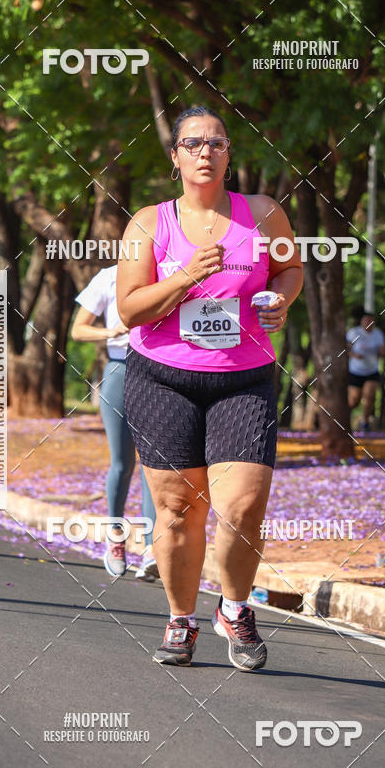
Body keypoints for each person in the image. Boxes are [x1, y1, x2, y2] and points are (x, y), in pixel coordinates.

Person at [117, 105, 304, 670]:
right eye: (192, 144)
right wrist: (186, 276)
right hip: (163, 378)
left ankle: (235, 607)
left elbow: (289, 270)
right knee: (177, 508)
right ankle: (181, 618)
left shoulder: (264, 215)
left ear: (229, 155)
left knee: (244, 506)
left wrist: (281, 300)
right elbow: (130, 309)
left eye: (216, 143)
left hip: (242, 377)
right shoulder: (149, 224)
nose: (205, 152)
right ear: (174, 158)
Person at [71, 265, 157, 579]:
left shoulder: (170, 268)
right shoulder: (108, 276)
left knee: (153, 464)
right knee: (122, 463)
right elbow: (78, 329)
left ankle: (151, 549)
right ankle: (115, 540)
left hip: (159, 375)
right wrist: (111, 332)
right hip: (119, 370)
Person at [346, 309, 385, 432]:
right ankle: (344, 420)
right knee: (354, 401)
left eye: (370, 320)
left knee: (369, 395)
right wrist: (354, 355)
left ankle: (365, 422)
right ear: (362, 322)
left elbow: (382, 350)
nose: (368, 323)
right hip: (355, 371)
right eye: (366, 320)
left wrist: (382, 352)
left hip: (372, 371)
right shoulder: (354, 333)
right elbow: (346, 350)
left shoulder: (378, 334)